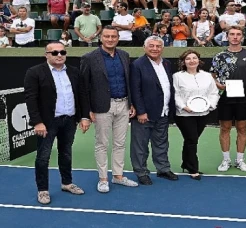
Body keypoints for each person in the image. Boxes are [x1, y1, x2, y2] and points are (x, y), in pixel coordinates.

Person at [24, 41, 84, 205]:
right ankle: (43, 190)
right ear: (46, 55)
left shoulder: (73, 72)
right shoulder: (34, 72)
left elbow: (81, 95)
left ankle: (67, 183)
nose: (59, 55)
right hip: (47, 123)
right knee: (43, 157)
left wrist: (83, 116)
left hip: (69, 120)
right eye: (55, 53)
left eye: (62, 52)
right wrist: (37, 122)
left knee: (66, 153)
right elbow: (31, 99)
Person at [79, 25, 137, 193]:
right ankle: (103, 178)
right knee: (102, 143)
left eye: (113, 36)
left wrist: (131, 102)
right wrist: (86, 111)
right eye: (107, 36)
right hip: (101, 106)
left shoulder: (124, 56)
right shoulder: (89, 58)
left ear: (118, 38)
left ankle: (118, 176)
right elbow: (84, 87)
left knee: (120, 143)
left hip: (124, 105)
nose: (110, 39)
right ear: (101, 38)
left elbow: (128, 81)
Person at [130, 36, 179, 185]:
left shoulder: (167, 64)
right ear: (144, 47)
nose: (155, 49)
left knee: (161, 143)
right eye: (151, 46)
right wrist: (140, 111)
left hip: (162, 112)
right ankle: (141, 172)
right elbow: (135, 90)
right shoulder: (137, 64)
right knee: (140, 145)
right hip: (145, 114)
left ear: (162, 48)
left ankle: (163, 168)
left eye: (158, 46)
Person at [210, 25, 246, 172]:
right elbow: (212, 76)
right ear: (227, 37)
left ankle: (240, 160)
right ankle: (226, 160)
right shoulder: (219, 56)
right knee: (225, 128)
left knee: (242, 128)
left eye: (238, 34)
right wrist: (219, 85)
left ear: (242, 36)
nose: (235, 37)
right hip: (225, 98)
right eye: (232, 34)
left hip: (244, 98)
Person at [173, 50, 220, 180]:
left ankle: (185, 163)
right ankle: (193, 168)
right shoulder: (177, 76)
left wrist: (210, 105)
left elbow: (214, 92)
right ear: (183, 62)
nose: (192, 61)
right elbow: (175, 94)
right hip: (184, 114)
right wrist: (183, 107)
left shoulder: (207, 76)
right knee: (192, 139)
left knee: (191, 140)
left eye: (194, 58)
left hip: (203, 113)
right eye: (188, 58)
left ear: (199, 61)